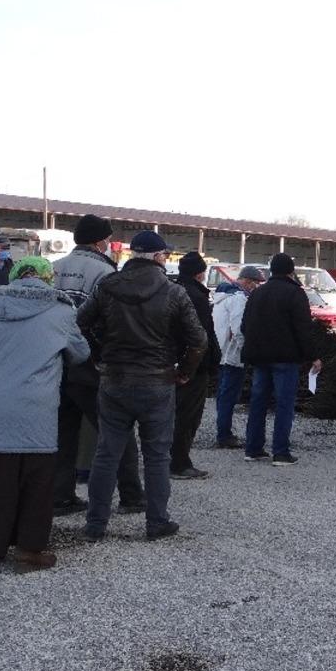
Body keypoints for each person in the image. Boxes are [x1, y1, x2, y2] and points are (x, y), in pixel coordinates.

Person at [76, 231, 207, 542]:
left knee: (107, 454)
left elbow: (79, 323)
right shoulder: (173, 292)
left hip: (115, 379)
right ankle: (157, 522)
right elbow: (198, 340)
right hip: (158, 381)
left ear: (133, 255)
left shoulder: (108, 286)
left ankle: (95, 524)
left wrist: (99, 354)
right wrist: (185, 372)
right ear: (159, 257)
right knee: (157, 456)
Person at [0, 256, 89, 571]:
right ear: (48, 279)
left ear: (14, 277)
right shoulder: (61, 312)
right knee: (35, 481)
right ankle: (29, 551)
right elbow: (81, 353)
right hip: (36, 409)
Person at [51, 214, 144, 515]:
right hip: (90, 364)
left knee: (64, 431)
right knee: (117, 427)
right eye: (107, 238)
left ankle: (60, 495)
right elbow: (108, 322)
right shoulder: (105, 272)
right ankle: (131, 495)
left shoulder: (53, 269)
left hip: (54, 361)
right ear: (98, 241)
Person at [241, 252, 323, 466]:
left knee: (258, 402)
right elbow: (303, 329)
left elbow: (244, 326)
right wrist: (313, 356)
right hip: (285, 359)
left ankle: (253, 448)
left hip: (260, 357)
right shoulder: (295, 294)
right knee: (284, 404)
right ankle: (280, 452)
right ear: (290, 271)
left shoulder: (257, 293)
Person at [170, 251, 220, 479]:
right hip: (193, 365)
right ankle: (179, 463)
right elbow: (201, 335)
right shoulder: (196, 297)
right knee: (188, 415)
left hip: (173, 360)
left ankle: (170, 459)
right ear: (200, 273)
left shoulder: (173, 290)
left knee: (173, 413)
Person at [211, 265, 264, 449]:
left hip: (221, 351)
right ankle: (224, 435)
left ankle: (222, 431)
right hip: (233, 354)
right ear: (248, 282)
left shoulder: (222, 296)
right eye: (256, 283)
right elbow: (239, 328)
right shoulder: (238, 299)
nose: (256, 287)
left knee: (223, 394)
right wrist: (247, 351)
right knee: (229, 395)